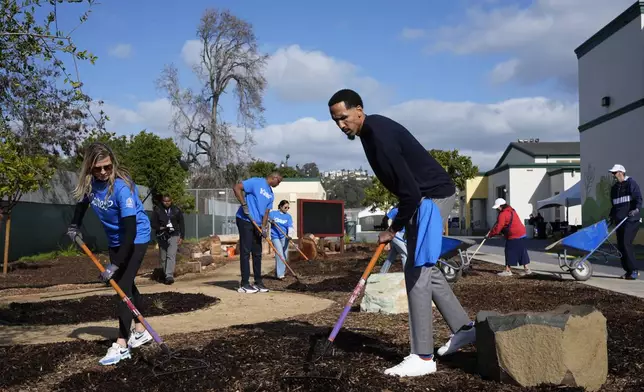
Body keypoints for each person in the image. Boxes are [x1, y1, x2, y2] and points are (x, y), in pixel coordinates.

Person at [328, 89, 475, 377]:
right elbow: (406, 186)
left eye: (344, 118)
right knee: (426, 269)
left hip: (430, 199)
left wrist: (392, 229)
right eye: (335, 120)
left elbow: (411, 190)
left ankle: (422, 357)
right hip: (422, 198)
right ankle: (465, 329)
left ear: (359, 109)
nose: (341, 125)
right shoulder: (369, 132)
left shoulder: (378, 137)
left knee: (417, 270)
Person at [66, 142, 153, 366]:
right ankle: (141, 330)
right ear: (89, 169)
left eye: (107, 166)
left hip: (136, 237)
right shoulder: (90, 185)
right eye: (98, 168)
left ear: (112, 164)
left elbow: (131, 230)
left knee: (121, 287)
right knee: (128, 286)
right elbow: (81, 205)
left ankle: (122, 344)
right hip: (116, 239)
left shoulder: (122, 188)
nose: (104, 172)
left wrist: (114, 265)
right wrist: (74, 225)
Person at [233, 172, 283, 293]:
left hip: (258, 224)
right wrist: (244, 205)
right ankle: (244, 283)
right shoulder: (256, 182)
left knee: (257, 252)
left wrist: (264, 228)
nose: (279, 184)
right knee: (245, 251)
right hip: (245, 219)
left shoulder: (271, 194)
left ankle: (258, 282)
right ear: (274, 178)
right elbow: (236, 187)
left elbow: (266, 212)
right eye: (279, 181)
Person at [608, 164, 642, 280]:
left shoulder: (631, 184)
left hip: (631, 219)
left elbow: (638, 199)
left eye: (614, 173)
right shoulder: (614, 188)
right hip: (619, 221)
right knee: (621, 246)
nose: (613, 175)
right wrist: (611, 216)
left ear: (621, 173)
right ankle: (628, 271)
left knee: (626, 243)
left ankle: (634, 270)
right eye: (612, 173)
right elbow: (615, 206)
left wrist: (636, 210)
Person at [487, 198, 532, 277]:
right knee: (522, 251)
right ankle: (527, 269)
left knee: (509, 251)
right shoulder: (512, 210)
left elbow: (498, 228)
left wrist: (490, 234)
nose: (497, 209)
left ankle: (508, 270)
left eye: (498, 207)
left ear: (501, 206)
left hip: (513, 235)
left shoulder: (502, 214)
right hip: (522, 232)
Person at [151, 195, 185, 285]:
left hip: (174, 235)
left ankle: (169, 276)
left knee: (171, 255)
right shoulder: (157, 210)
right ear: (162, 201)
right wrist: (160, 228)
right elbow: (153, 224)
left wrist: (182, 237)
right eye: (165, 201)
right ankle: (165, 274)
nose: (167, 203)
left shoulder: (176, 210)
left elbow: (181, 223)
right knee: (163, 257)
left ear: (171, 201)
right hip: (162, 236)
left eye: (168, 201)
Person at [268, 200, 295, 279]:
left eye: (288, 207)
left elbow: (290, 226)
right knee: (280, 254)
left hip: (284, 237)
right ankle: (280, 275)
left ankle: (280, 272)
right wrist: (270, 220)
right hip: (275, 236)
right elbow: (266, 218)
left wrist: (289, 235)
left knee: (284, 256)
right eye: (285, 207)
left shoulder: (288, 216)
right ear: (280, 206)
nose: (287, 209)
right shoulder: (273, 213)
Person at [380, 205, 408, 274]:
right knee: (405, 254)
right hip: (396, 234)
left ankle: (382, 273)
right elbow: (385, 219)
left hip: (403, 235)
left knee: (391, 256)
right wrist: (389, 232)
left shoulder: (408, 210)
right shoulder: (396, 210)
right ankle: (407, 275)